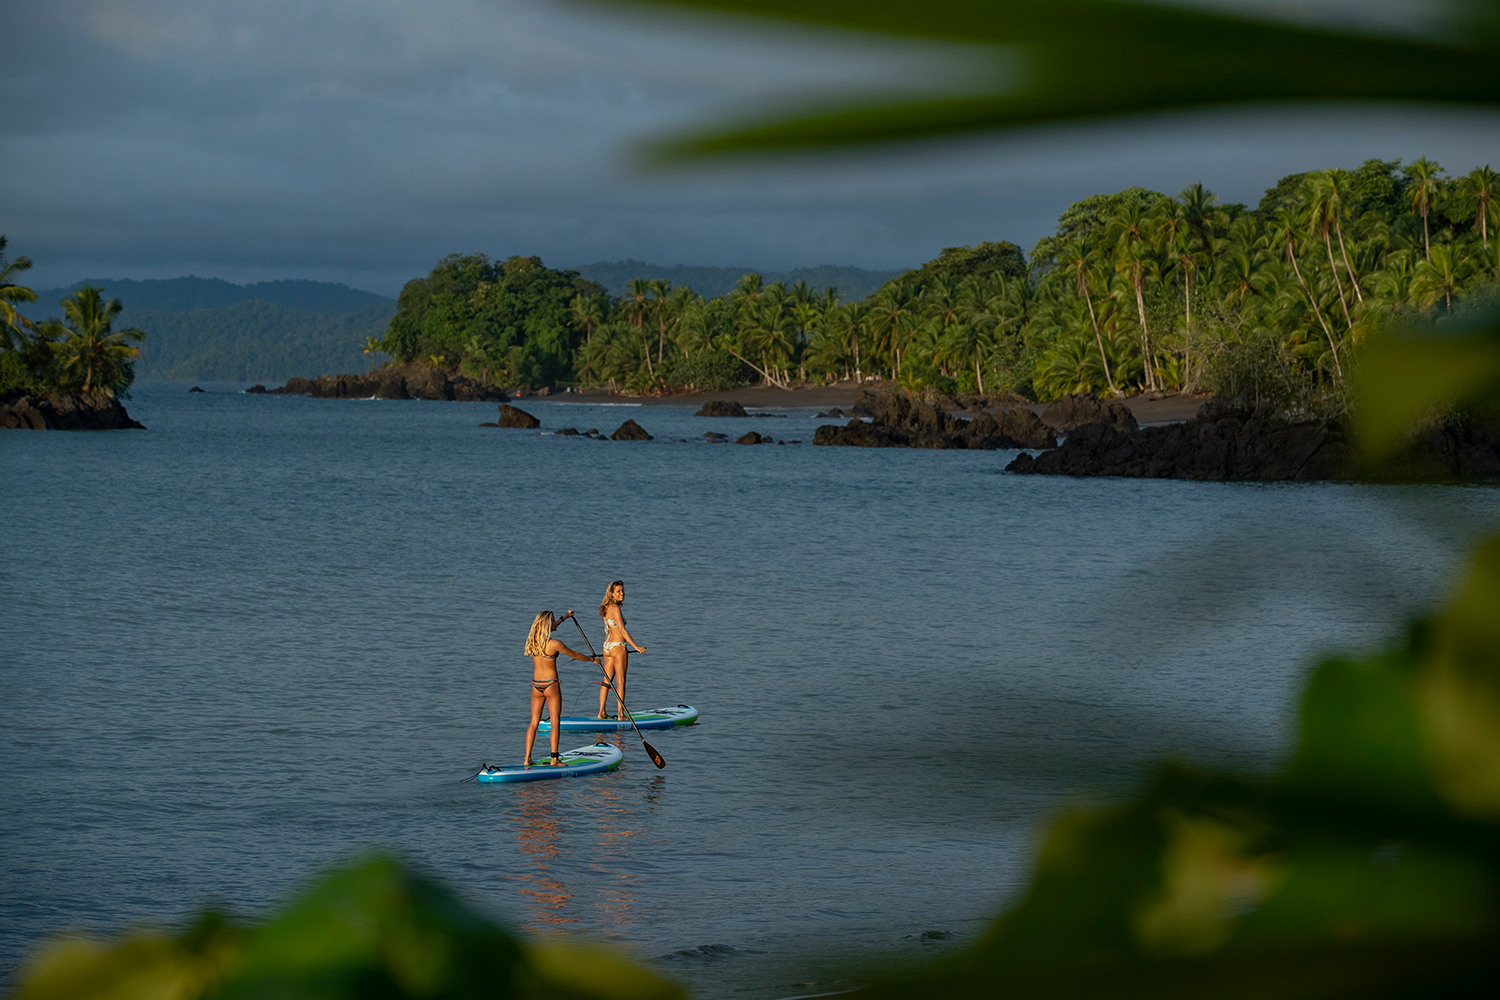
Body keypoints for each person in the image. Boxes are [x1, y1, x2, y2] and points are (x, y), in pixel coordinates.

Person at [523, 610, 599, 766]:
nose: (554, 623)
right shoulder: (554, 644)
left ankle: (527, 759)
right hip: (551, 684)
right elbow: (576, 655)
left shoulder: (533, 641)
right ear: (547, 625)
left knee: (534, 722)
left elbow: (554, 625)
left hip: (536, 684)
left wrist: (564, 617)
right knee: (555, 722)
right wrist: (592, 660)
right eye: (552, 621)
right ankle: (554, 759)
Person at [597, 581, 645, 721]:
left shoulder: (606, 608)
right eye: (618, 591)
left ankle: (601, 712)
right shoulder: (615, 608)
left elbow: (608, 629)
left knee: (607, 681)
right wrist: (637, 647)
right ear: (612, 593)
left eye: (623, 591)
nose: (622, 594)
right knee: (621, 681)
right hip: (618, 646)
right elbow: (622, 630)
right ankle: (620, 715)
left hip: (607, 646)